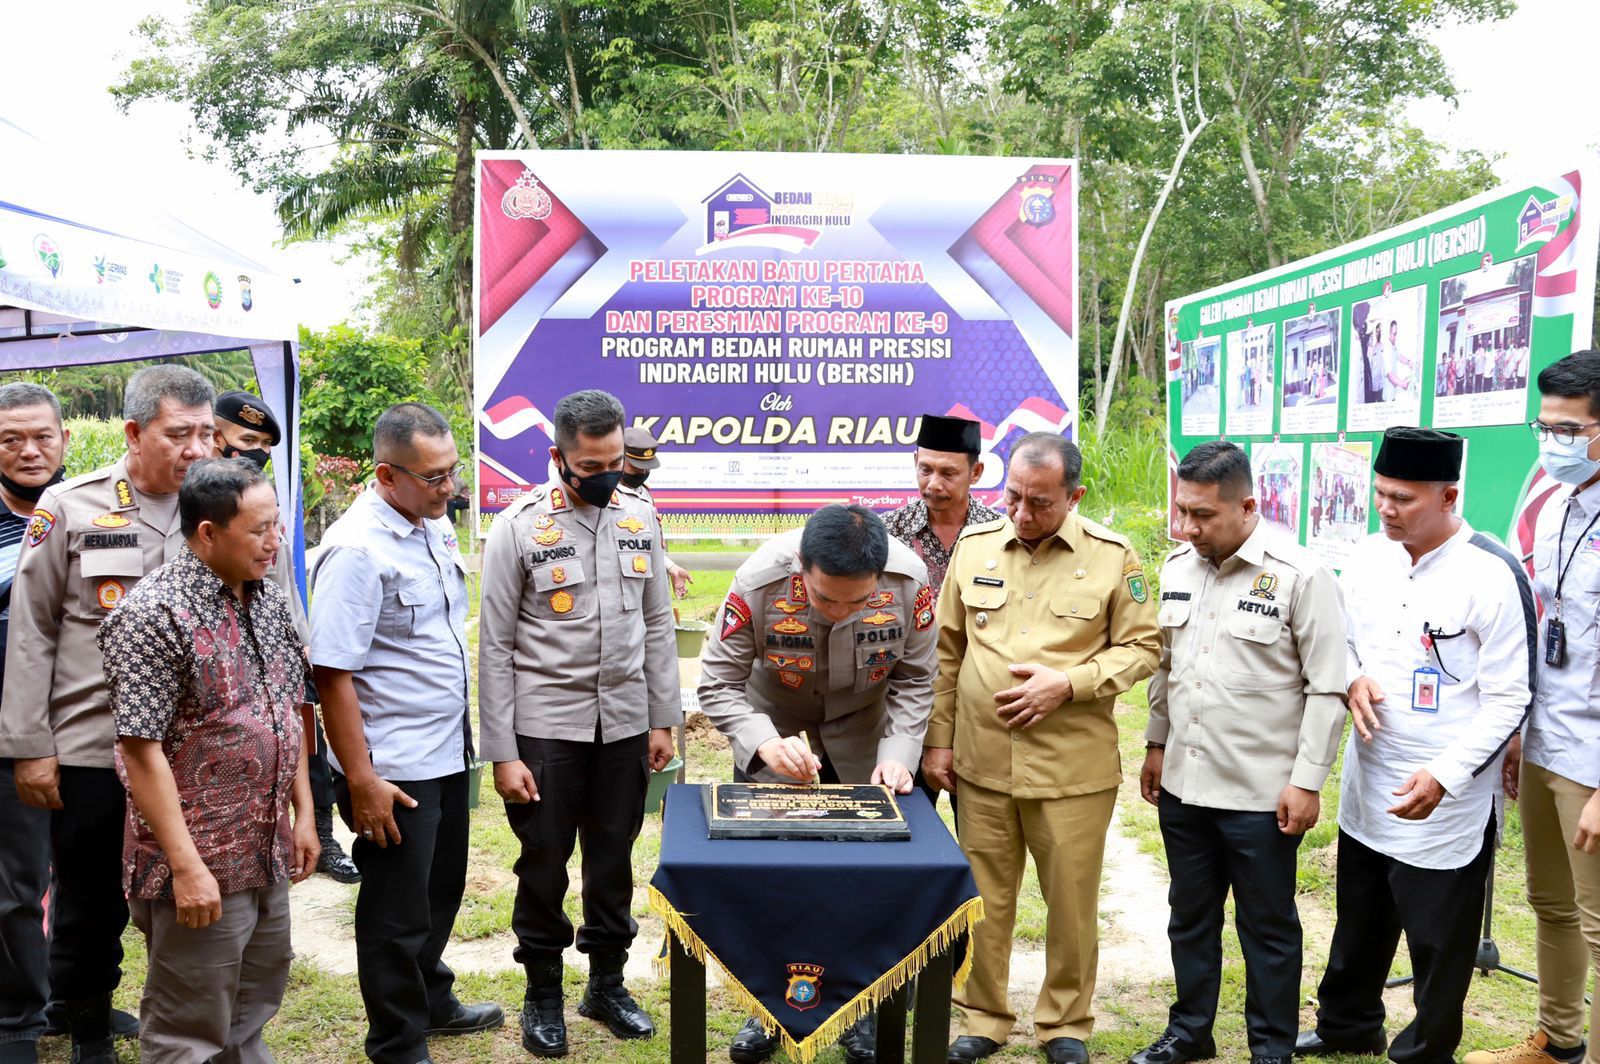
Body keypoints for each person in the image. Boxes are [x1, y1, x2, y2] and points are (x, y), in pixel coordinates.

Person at [1297, 427, 1534, 1064]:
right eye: (1380, 493)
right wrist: (1354, 678)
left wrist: (1446, 775)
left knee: (1437, 941)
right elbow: (1342, 643)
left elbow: (1510, 697)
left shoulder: (1491, 573)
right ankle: (1348, 1026)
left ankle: (1427, 1051)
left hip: (1446, 795)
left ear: (1449, 496)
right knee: (1359, 921)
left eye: (1403, 498)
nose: (1387, 508)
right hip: (1371, 773)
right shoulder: (1367, 556)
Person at [0, 366, 216, 1064]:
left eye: (206, 432)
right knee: (90, 903)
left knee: (193, 897)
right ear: (134, 432)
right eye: (179, 433)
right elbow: (31, 632)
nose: (196, 448)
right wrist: (30, 745)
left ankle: (186, 1025)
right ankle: (89, 1028)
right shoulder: (71, 507)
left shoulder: (225, 502)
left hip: (197, 752)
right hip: (96, 748)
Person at [922, 432, 1161, 1064]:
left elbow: (1143, 649)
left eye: (1041, 502)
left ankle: (1064, 1023)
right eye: (1014, 498)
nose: (1023, 514)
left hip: (1070, 768)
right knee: (983, 899)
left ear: (1074, 496)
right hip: (981, 762)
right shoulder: (975, 547)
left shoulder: (1114, 557)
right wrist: (939, 743)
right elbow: (947, 653)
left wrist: (1070, 683)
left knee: (1071, 904)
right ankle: (982, 1017)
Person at [478, 390, 678, 1058]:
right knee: (544, 863)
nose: (607, 475)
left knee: (613, 858)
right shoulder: (518, 527)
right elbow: (495, 646)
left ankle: (606, 985)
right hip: (546, 729)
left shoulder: (639, 516)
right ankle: (542, 994)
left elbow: (657, 623)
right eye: (591, 465)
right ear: (558, 456)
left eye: (616, 462)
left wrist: (662, 719)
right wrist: (502, 752)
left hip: (624, 724)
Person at [699, 502, 936, 1064]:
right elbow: (717, 683)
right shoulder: (759, 580)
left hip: (864, 738)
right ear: (801, 565)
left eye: (857, 602)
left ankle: (860, 1006)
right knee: (772, 881)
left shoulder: (909, 581)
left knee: (864, 884)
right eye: (826, 599)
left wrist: (900, 754)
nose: (839, 613)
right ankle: (766, 1007)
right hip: (776, 736)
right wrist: (762, 742)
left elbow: (916, 678)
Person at [99, 458, 317, 1063]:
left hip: (265, 845)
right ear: (207, 533)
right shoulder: (152, 614)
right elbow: (139, 750)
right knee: (188, 1025)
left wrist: (303, 813)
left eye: (276, 525)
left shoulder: (266, 598)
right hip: (200, 858)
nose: (274, 541)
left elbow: (286, 708)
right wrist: (186, 867)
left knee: (253, 1004)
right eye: (260, 530)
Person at [1135, 442, 1347, 1064]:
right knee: (1189, 917)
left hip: (1261, 794)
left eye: (1203, 515)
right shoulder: (1178, 567)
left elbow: (1327, 688)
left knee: (1268, 926)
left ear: (1248, 506)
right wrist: (1155, 743)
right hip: (1184, 783)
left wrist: (1307, 781)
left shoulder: (1301, 575)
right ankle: (1189, 1032)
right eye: (1182, 511)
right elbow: (1167, 668)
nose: (1188, 527)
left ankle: (1271, 1048)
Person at [311, 402, 502, 1064]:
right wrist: (362, 780)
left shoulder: (431, 524)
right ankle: (397, 1042)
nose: (451, 487)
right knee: (396, 911)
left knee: (440, 890)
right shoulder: (356, 550)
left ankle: (430, 998)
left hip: (445, 748)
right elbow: (331, 673)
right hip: (391, 764)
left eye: (453, 470)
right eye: (434, 477)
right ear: (387, 475)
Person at [1468, 351, 1600, 1064]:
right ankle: (1558, 1041)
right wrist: (1519, 729)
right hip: (1549, 738)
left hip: (1594, 762)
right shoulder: (1557, 507)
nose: (1553, 442)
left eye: (1570, 430)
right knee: (1551, 905)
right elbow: (1547, 628)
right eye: (1545, 427)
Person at [213, 390, 359, 885]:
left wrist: (303, 643)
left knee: (307, 747)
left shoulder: (265, 500)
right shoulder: (195, 503)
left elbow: (285, 583)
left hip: (279, 653)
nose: (255, 453)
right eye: (246, 440)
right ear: (216, 438)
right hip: (221, 662)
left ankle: (322, 835)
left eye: (264, 446)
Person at [0, 384, 84, 1064]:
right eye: (10, 439)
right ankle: (17, 1021)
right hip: (13, 734)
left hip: (92, 730)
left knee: (91, 881)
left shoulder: (94, 512)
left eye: (41, 437)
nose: (29, 451)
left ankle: (76, 1003)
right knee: (17, 886)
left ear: (64, 439)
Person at [881, 413, 1002, 816]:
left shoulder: (1001, 535)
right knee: (905, 821)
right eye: (925, 469)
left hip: (978, 707)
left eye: (949, 473)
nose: (934, 483)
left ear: (976, 472)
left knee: (983, 833)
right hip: (902, 705)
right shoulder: (888, 533)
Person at [620, 425, 693, 598]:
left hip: (647, 586)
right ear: (619, 459)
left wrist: (670, 567)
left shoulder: (644, 493)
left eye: (646, 467)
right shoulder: (605, 499)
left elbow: (647, 544)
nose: (642, 472)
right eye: (636, 467)